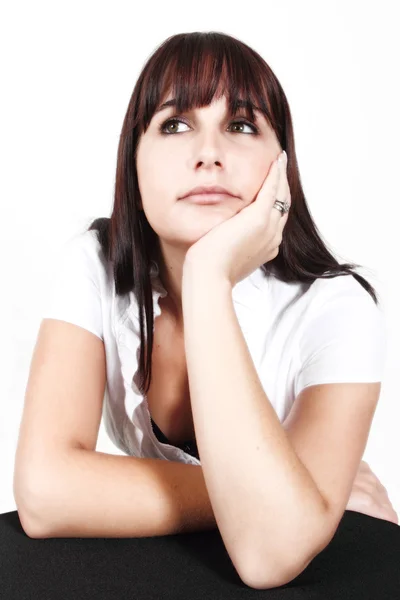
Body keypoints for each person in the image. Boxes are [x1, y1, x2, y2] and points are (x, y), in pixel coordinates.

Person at [10, 31, 399, 593]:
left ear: (283, 168)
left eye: (241, 125)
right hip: (186, 559)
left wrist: (208, 276)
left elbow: (272, 553)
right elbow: (44, 492)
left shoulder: (339, 312)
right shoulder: (95, 265)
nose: (209, 153)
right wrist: (288, 497)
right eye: (174, 124)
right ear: (132, 162)